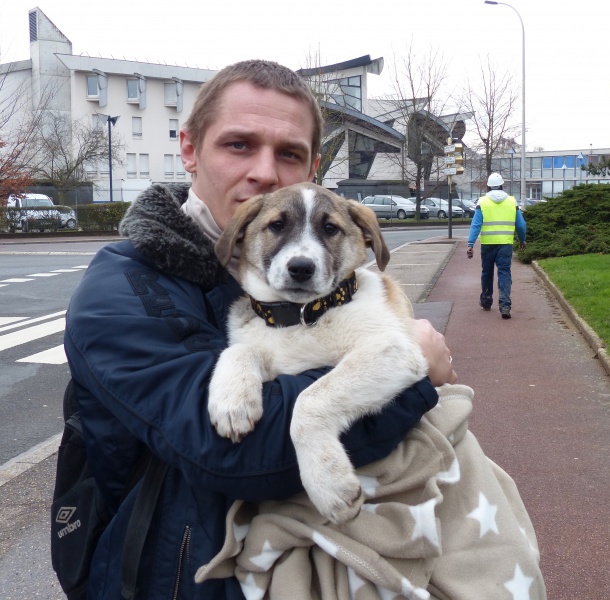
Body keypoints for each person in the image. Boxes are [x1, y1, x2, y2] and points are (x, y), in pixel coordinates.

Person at [63, 59, 456, 599]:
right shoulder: (123, 287)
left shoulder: (287, 277)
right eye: (239, 145)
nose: (266, 173)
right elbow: (223, 446)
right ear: (190, 149)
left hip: (315, 562)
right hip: (175, 580)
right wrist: (416, 380)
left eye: (289, 153)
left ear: (313, 167)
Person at [466, 172, 527, 319]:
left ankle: (486, 301)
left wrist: (470, 244)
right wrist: (522, 240)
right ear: (502, 185)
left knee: (487, 273)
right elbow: (521, 224)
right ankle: (505, 305)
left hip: (487, 244)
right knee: (504, 273)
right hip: (505, 244)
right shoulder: (512, 201)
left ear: (488, 186)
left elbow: (476, 225)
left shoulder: (482, 202)